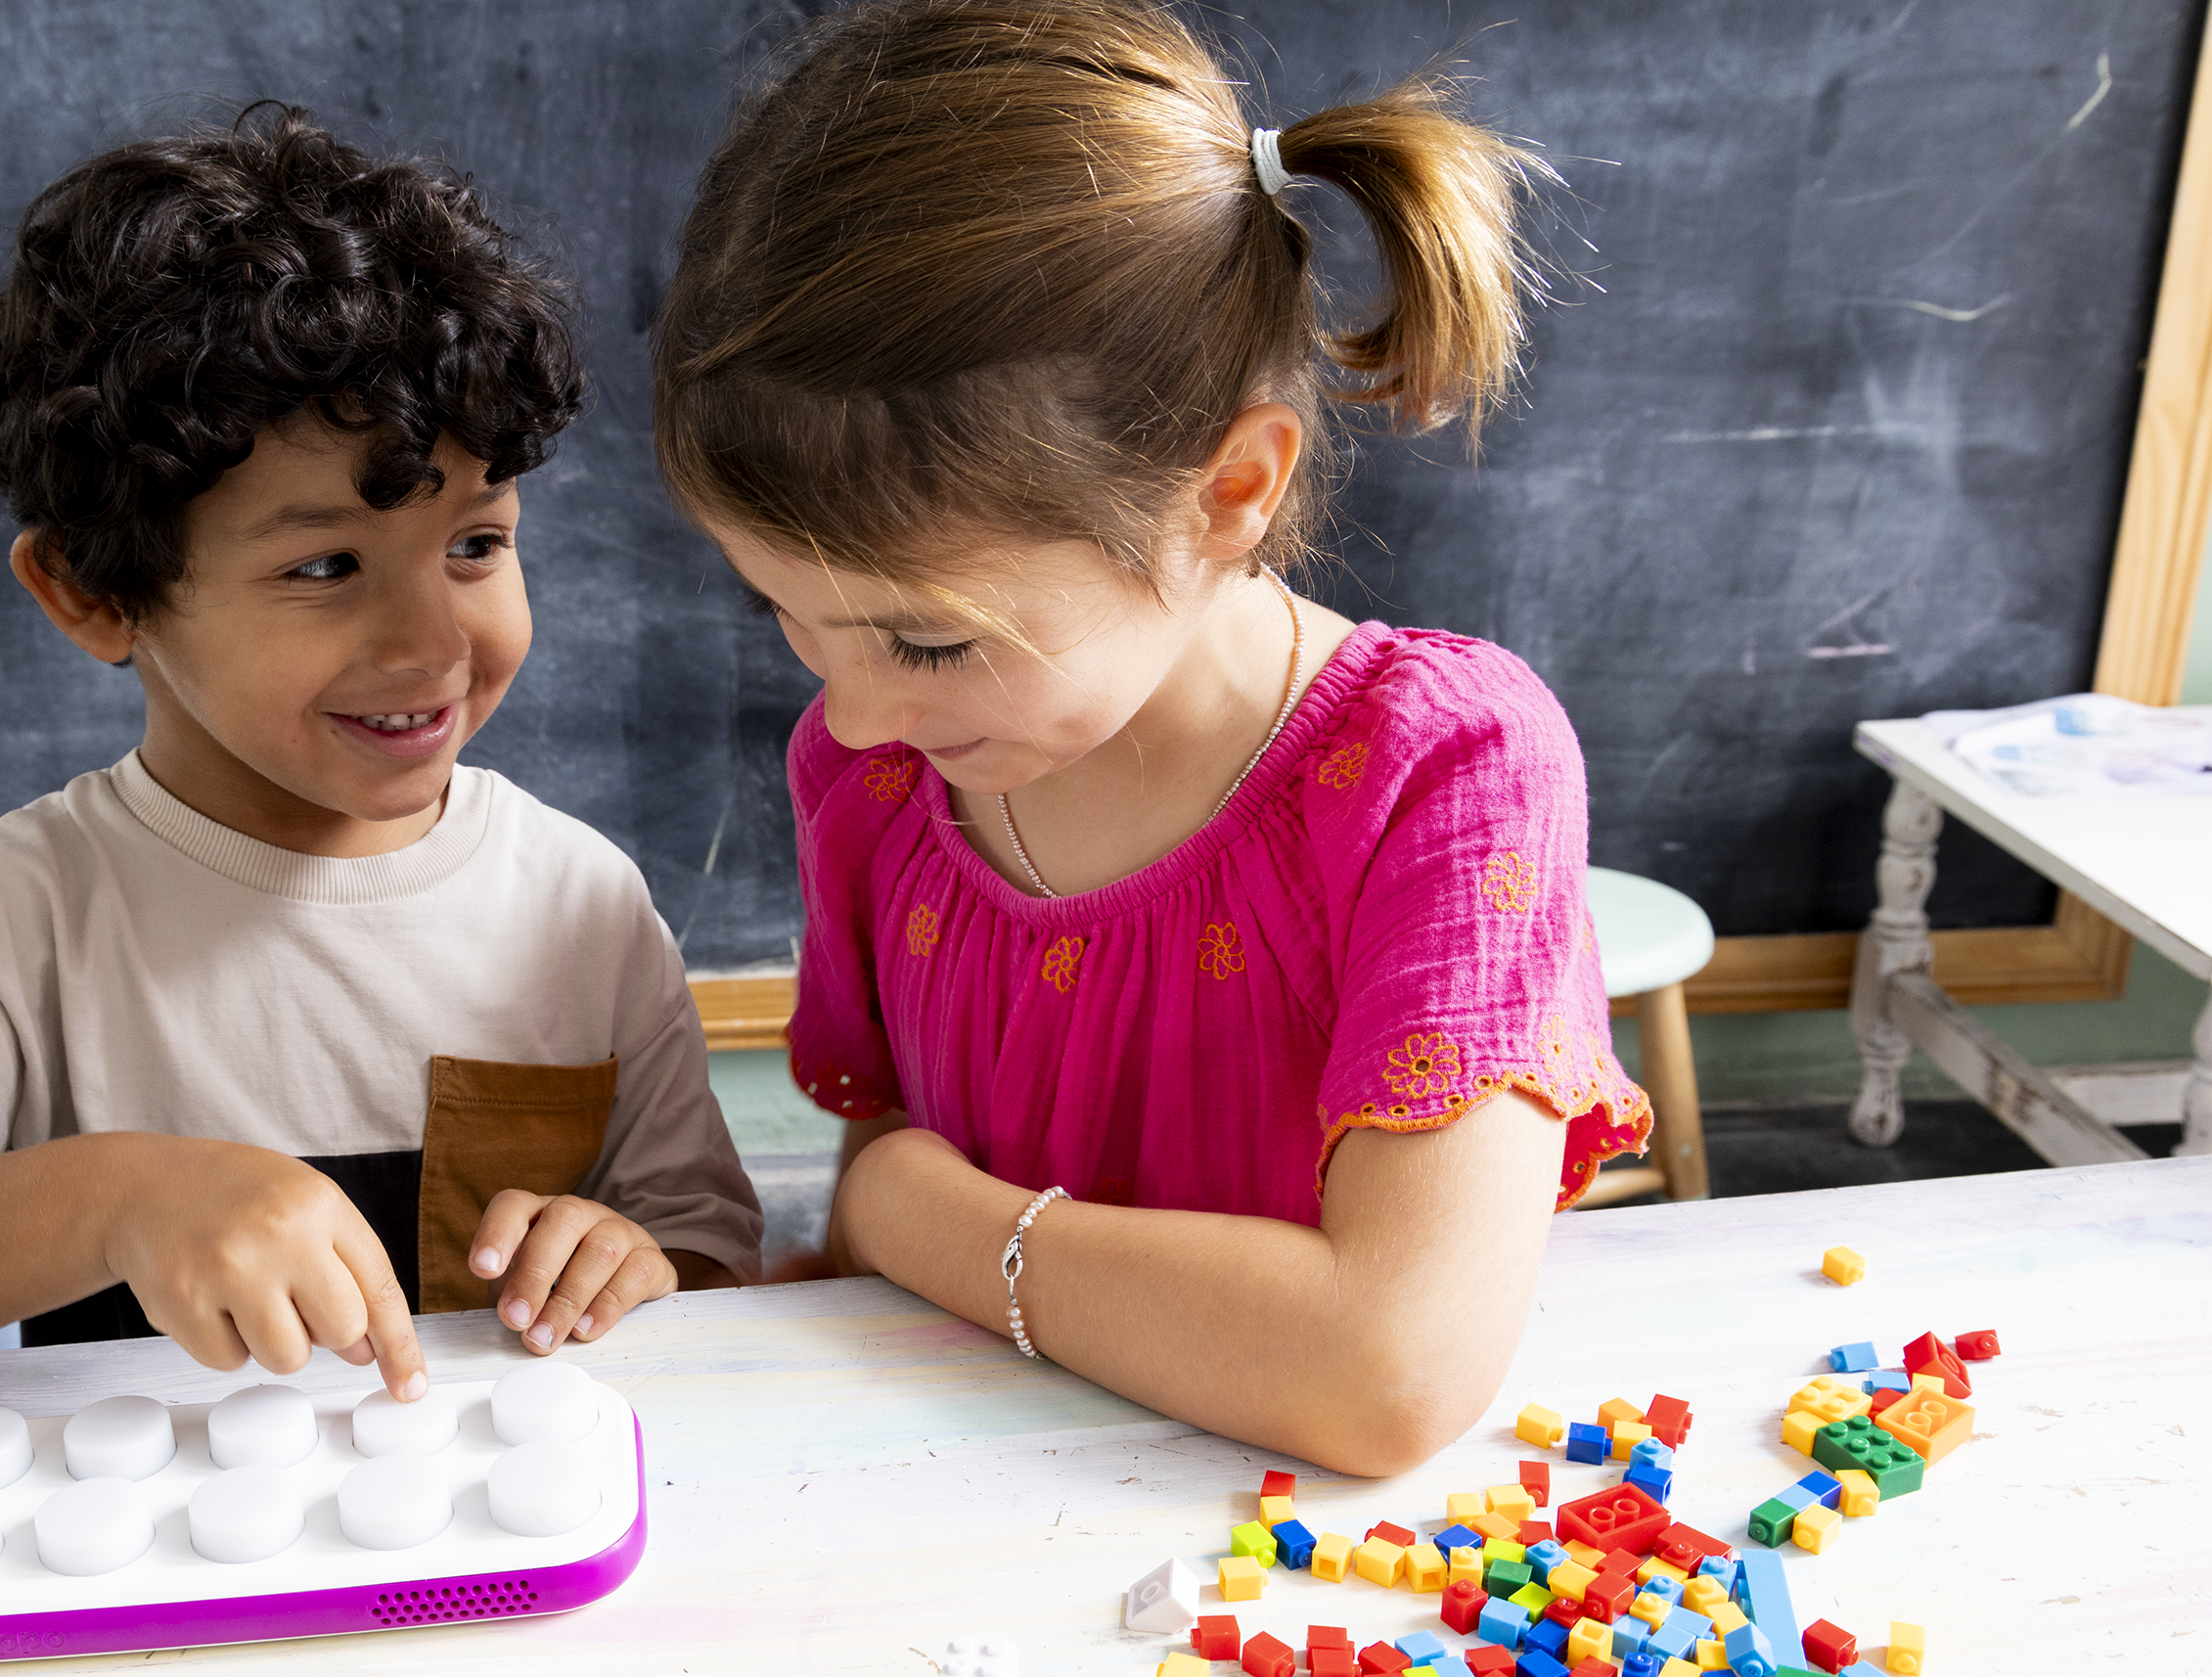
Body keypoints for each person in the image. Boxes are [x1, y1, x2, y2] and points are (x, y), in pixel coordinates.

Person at [650, 0, 1648, 1473]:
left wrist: (912, 1215)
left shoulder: (1446, 771)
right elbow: (885, 1187)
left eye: (930, 639)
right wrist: (888, 1216)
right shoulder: (874, 773)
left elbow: (1384, 1375)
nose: (852, 712)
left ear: (1228, 492)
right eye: (784, 612)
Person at [0, 108, 760, 1401]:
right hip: (131, 1577)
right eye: (324, 567)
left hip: (495, 1565)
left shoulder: (579, 906)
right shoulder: (6, 923)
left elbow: (707, 1265)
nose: (432, 644)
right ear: (92, 592)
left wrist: (635, 1259)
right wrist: (114, 1197)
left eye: (477, 543)